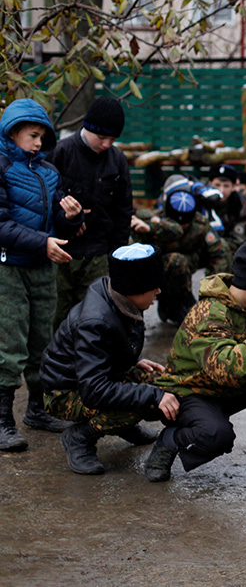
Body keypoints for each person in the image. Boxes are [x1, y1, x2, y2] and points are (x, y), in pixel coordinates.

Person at [142, 239, 246, 482]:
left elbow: (244, 355)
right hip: (191, 394)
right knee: (217, 436)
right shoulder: (210, 312)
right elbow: (228, 369)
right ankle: (170, 440)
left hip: (224, 389)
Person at [41, 243, 178, 474]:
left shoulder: (118, 295)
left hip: (93, 377)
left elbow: (107, 347)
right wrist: (152, 395)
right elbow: (94, 390)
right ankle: (80, 438)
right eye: (152, 287)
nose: (158, 292)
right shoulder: (95, 322)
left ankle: (123, 425)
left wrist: (134, 359)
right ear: (134, 289)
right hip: (64, 392)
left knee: (163, 383)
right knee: (146, 402)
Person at [0, 98, 84, 452]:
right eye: (32, 135)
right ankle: (3, 421)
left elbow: (57, 223)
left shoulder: (49, 172)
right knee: (10, 344)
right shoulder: (1, 167)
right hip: (9, 268)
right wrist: (42, 242)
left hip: (42, 267)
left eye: (41, 137)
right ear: (12, 133)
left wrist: (73, 217)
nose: (38, 143)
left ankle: (38, 410)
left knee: (42, 341)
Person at [50, 96, 134, 329]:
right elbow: (44, 197)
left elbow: (123, 211)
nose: (106, 144)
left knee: (94, 319)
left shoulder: (117, 160)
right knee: (57, 318)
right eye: (101, 137)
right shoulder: (61, 152)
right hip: (62, 253)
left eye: (113, 139)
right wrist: (66, 216)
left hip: (98, 254)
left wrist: (117, 257)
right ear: (87, 127)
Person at [133, 176, 232, 325]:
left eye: (185, 224)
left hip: (190, 261)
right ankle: (168, 301)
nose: (182, 228)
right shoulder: (154, 220)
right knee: (176, 260)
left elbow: (218, 254)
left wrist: (213, 295)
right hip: (161, 268)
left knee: (223, 246)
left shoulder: (200, 224)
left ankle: (183, 300)